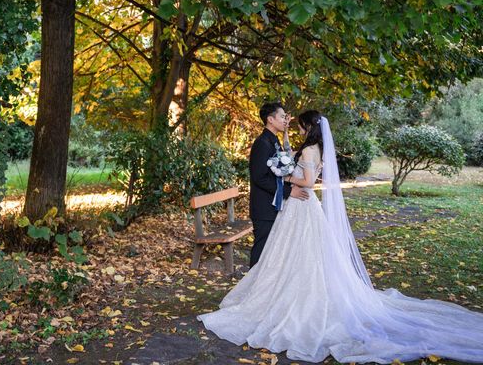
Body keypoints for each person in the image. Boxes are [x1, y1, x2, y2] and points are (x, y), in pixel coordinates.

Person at [199, 110, 483, 363]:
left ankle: (289, 299)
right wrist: (285, 174)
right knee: (292, 255)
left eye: (300, 126)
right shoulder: (307, 147)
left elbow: (309, 182)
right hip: (298, 207)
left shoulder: (309, 150)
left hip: (302, 205)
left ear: (310, 128)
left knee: (302, 255)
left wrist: (285, 177)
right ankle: (274, 292)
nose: (295, 128)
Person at [248, 102, 309, 267]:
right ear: (270, 119)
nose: (285, 120)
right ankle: (252, 289)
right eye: (282, 117)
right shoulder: (262, 143)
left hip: (273, 205)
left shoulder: (274, 140)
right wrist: (288, 192)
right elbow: (259, 178)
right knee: (261, 249)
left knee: (271, 251)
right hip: (263, 207)